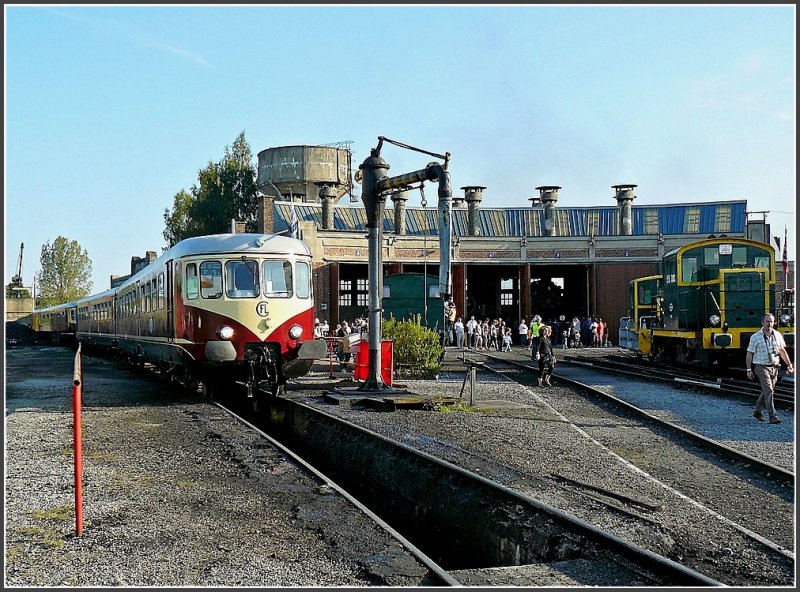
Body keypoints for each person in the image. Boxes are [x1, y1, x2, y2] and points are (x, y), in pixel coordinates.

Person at [745, 313, 794, 424]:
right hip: (761, 367)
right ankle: (773, 416)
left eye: (771, 321)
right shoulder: (755, 337)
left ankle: (757, 411)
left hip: (774, 367)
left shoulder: (777, 335)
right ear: (762, 323)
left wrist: (789, 365)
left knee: (766, 391)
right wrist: (749, 369)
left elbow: (782, 350)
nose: (769, 324)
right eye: (767, 321)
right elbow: (749, 353)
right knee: (769, 390)